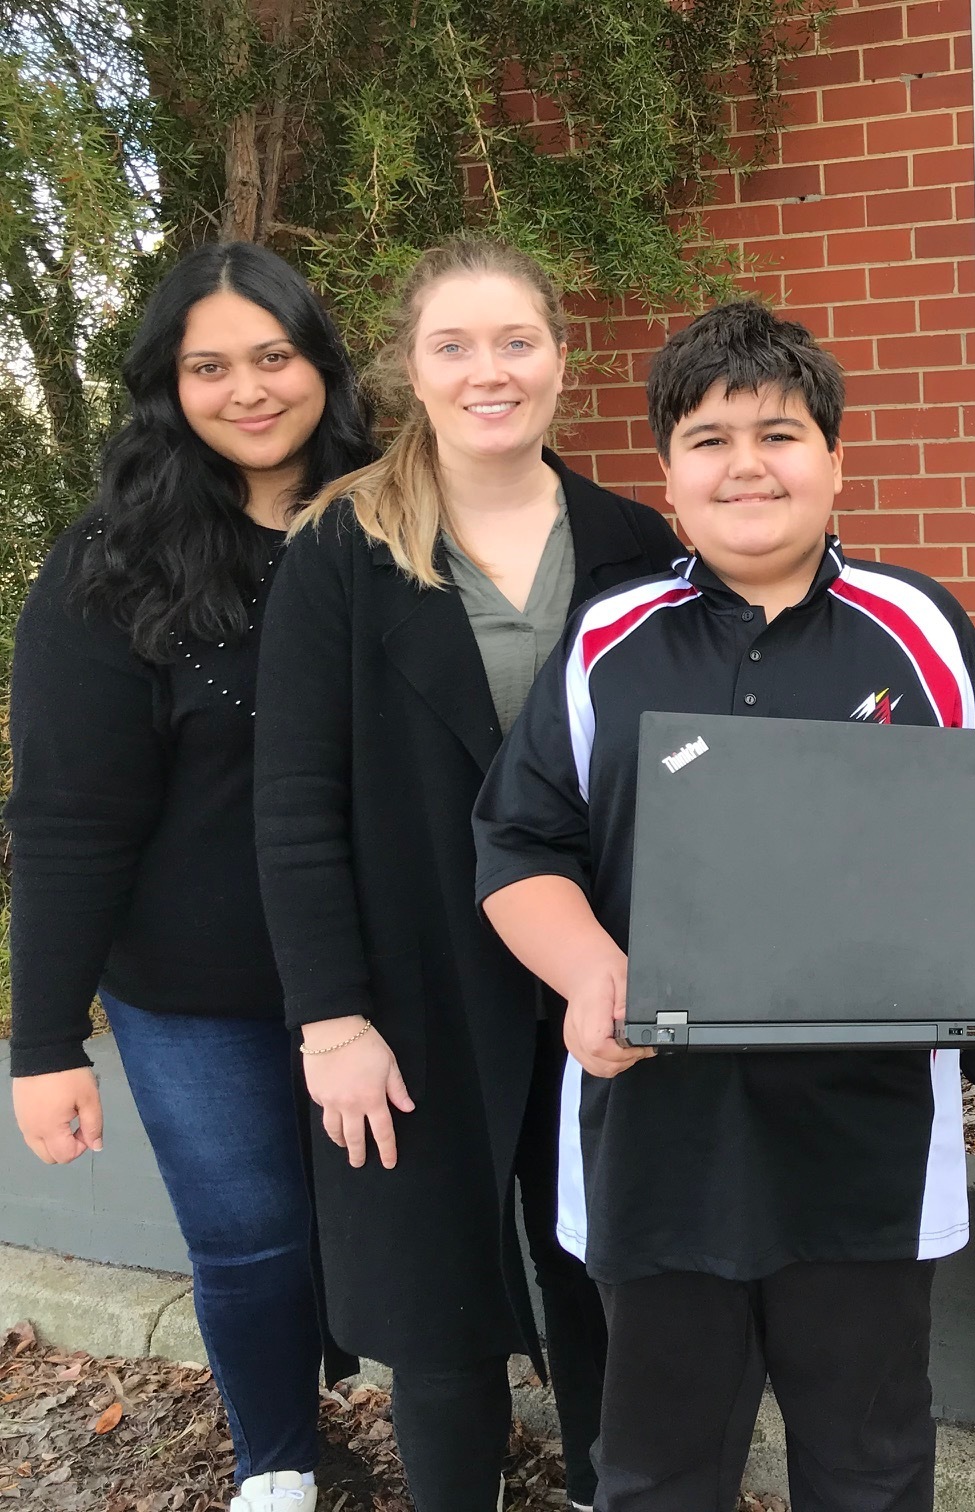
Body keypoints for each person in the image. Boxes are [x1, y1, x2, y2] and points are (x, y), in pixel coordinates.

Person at [471, 301, 975, 1512]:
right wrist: (587, 970)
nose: (748, 463)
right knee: (659, 1471)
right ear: (669, 480)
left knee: (872, 1461)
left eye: (781, 434)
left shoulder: (923, 630)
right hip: (658, 1142)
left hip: (867, 1143)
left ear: (836, 461)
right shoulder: (606, 639)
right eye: (710, 438)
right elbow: (521, 844)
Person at [253, 239, 678, 1512]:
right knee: (438, 1312)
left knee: (609, 1271)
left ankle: (620, 1486)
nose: (488, 371)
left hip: (599, 972)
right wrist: (331, 1020)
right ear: (410, 372)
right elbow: (292, 804)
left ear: (560, 359)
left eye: (515, 342)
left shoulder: (636, 542)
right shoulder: (342, 548)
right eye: (454, 345)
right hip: (409, 985)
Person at [8, 243, 376, 1512]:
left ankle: (444, 1419)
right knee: (250, 1238)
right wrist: (46, 1040)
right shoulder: (111, 566)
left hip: (391, 970)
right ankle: (278, 1454)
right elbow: (65, 818)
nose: (250, 390)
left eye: (274, 356)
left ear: (320, 362)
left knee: (400, 1222)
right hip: (197, 987)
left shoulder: (396, 523)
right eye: (208, 365)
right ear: (169, 384)